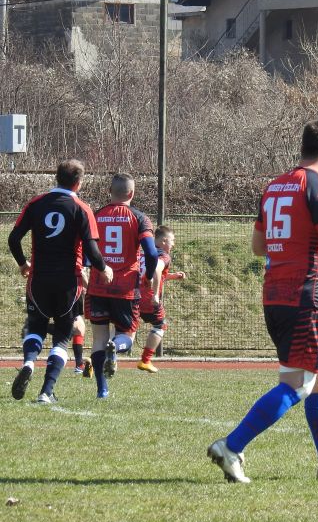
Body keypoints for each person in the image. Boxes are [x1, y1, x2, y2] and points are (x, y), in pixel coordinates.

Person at [208, 121, 318, 483]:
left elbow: (258, 246)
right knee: (300, 382)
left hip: (275, 295)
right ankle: (232, 446)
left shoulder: (274, 187)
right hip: (305, 297)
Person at [7, 159, 113, 403]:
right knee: (63, 335)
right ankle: (46, 392)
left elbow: (13, 239)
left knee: (35, 326)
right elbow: (92, 249)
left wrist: (23, 264)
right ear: (79, 182)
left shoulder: (36, 203)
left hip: (39, 279)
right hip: (68, 282)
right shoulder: (81, 208)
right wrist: (103, 268)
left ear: (56, 177)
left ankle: (29, 363)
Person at [85, 173, 158, 399]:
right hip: (125, 288)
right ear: (132, 193)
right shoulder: (139, 218)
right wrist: (148, 275)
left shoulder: (96, 215)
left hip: (98, 285)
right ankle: (116, 347)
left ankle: (102, 389)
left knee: (98, 339)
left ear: (110, 191)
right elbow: (151, 253)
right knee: (127, 335)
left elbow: (87, 250)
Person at [136, 225, 187, 373]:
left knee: (125, 330)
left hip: (132, 295)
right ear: (164, 241)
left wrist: (173, 276)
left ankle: (105, 356)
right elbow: (157, 269)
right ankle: (145, 360)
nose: (173, 244)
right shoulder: (163, 256)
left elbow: (150, 272)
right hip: (148, 298)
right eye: (172, 240)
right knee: (160, 325)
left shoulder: (143, 253)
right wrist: (155, 295)